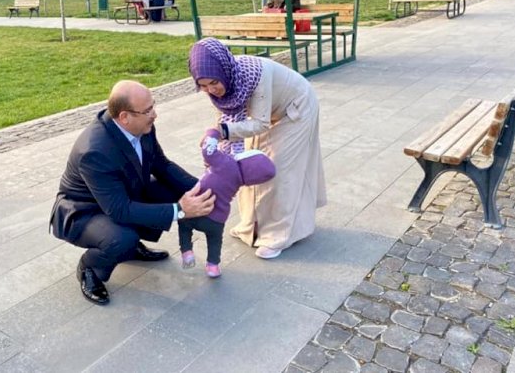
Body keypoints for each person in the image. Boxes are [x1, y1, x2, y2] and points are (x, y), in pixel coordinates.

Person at [49, 80, 215, 305]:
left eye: (153, 106)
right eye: (147, 110)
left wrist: (204, 188)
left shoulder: (142, 126)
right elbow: (119, 210)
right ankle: (90, 268)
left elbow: (162, 165)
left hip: (120, 195)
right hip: (83, 211)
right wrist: (181, 210)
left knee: (168, 189)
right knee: (121, 239)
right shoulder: (95, 151)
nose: (154, 114)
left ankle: (132, 247)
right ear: (124, 116)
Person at [187, 38, 327, 260]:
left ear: (223, 71)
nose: (211, 90)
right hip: (265, 113)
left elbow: (257, 125)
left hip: (297, 109)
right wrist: (216, 147)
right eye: (202, 85)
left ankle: (277, 236)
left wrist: (221, 132)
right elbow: (223, 119)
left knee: (277, 171)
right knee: (246, 167)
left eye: (213, 82)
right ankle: (250, 227)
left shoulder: (255, 74)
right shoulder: (222, 80)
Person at [179, 128, 275, 278]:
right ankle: (213, 267)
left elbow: (208, 151)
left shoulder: (227, 163)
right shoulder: (240, 180)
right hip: (218, 218)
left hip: (196, 209)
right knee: (215, 241)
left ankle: (187, 252)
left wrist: (213, 133)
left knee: (183, 223)